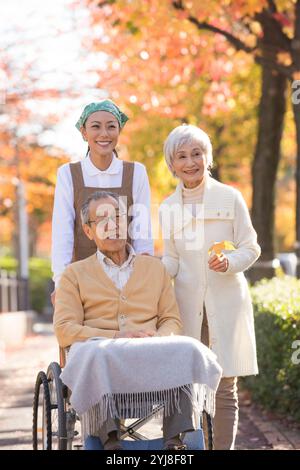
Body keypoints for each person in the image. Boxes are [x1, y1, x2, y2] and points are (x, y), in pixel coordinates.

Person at [53, 190, 195, 451]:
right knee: (96, 353)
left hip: (149, 359)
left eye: (118, 217)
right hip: (103, 358)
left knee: (183, 348)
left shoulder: (155, 268)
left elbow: (171, 320)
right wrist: (116, 337)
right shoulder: (74, 275)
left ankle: (174, 442)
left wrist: (157, 340)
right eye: (103, 220)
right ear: (88, 231)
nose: (113, 225)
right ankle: (110, 442)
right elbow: (64, 330)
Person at [159, 124, 261, 450]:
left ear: (208, 157)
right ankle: (185, 449)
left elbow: (251, 247)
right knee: (185, 382)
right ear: (171, 163)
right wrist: (150, 277)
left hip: (226, 301)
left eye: (197, 153)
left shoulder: (230, 197)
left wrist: (230, 261)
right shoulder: (168, 208)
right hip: (186, 304)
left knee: (224, 383)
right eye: (182, 156)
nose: (191, 162)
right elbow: (171, 259)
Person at [51, 100, 153, 302]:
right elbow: (62, 232)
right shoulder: (68, 174)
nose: (104, 133)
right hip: (82, 279)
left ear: (119, 131)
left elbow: (142, 231)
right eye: (95, 126)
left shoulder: (136, 172)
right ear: (84, 132)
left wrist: (145, 278)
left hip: (128, 279)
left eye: (111, 126)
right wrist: (62, 283)